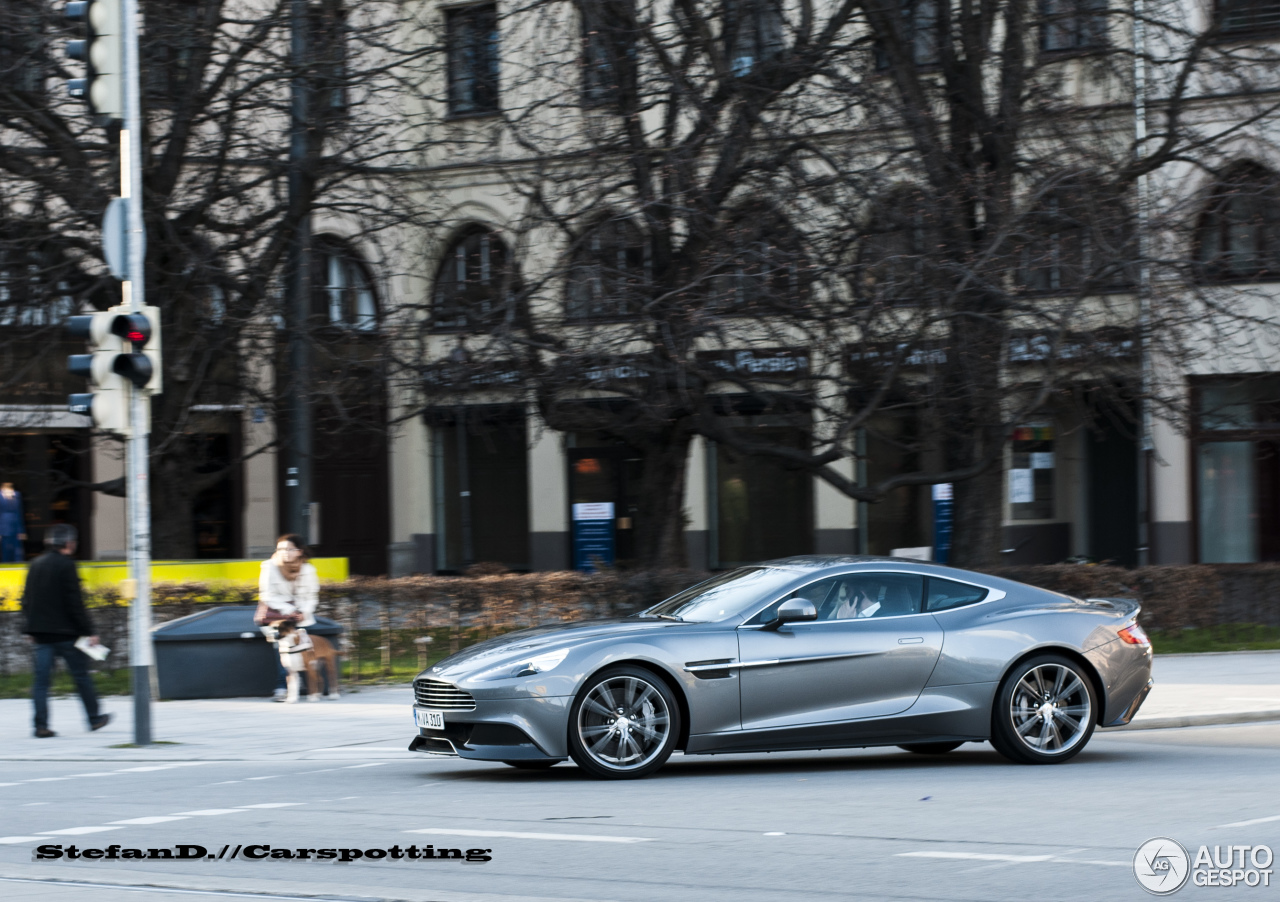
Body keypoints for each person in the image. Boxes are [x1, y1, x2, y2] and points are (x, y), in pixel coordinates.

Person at [20, 523, 111, 738]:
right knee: (81, 677)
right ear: (69, 543)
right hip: (66, 635)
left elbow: (26, 600)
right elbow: (74, 603)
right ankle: (94, 719)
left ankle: (40, 726)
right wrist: (89, 631)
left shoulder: (35, 564)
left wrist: (30, 629)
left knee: (41, 682)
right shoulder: (66, 565)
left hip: (41, 635)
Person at [258, 534, 320, 700]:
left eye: (289, 549)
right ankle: (282, 687)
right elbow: (267, 595)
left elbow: (312, 596)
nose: (284, 552)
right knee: (283, 647)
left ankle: (307, 685)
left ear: (299, 551)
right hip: (276, 616)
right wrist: (289, 610)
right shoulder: (269, 567)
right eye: (280, 549)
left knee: (302, 648)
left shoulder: (308, 569)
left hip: (301, 617)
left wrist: (304, 611)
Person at [1, 481, 26, 563]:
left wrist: (21, 531)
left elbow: (19, 513)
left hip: (15, 528)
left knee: (18, 553)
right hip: (4, 529)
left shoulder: (16, 495)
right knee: (5, 552)